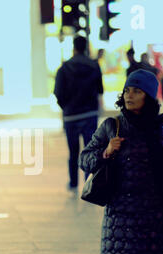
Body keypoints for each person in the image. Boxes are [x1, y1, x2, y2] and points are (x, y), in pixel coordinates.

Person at [79, 69, 163, 254]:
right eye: (127, 90)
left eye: (137, 91)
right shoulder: (112, 126)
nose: (129, 95)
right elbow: (85, 159)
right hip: (125, 212)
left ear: (149, 96)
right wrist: (106, 151)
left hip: (157, 211)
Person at [54, 36, 104, 192]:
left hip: (71, 116)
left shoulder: (64, 68)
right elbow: (100, 90)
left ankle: (73, 182)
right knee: (90, 150)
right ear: (86, 48)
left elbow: (58, 93)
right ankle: (89, 182)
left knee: (73, 150)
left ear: (74, 48)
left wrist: (67, 108)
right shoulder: (94, 66)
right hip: (89, 114)